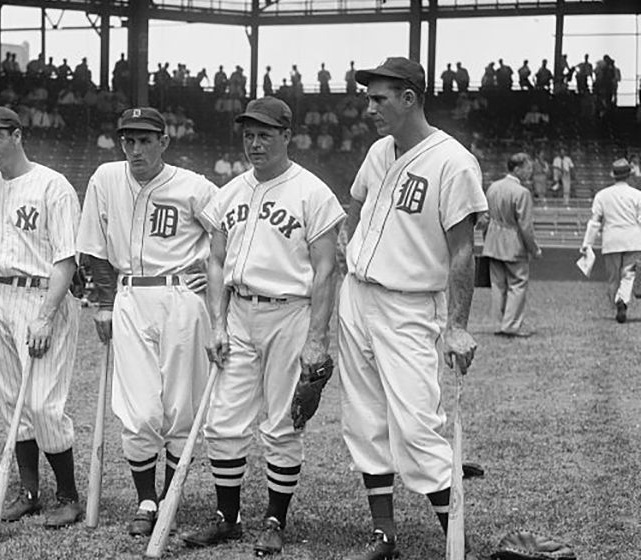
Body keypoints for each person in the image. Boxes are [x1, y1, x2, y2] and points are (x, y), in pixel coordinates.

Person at [339, 58, 486, 560]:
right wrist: (349, 244)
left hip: (409, 304)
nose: (370, 107)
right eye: (369, 97)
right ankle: (384, 534)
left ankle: (455, 540)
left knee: (417, 426)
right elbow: (356, 202)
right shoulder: (380, 150)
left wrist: (459, 326)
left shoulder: (453, 161)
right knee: (363, 418)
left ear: (409, 98)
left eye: (379, 98)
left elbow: (463, 249)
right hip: (357, 294)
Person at [183, 97, 344, 555]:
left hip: (290, 313)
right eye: (249, 134)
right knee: (223, 421)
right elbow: (214, 261)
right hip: (238, 313)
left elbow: (326, 271)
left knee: (281, 424)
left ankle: (275, 519)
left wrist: (317, 338)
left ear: (287, 136)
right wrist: (216, 323)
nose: (254, 143)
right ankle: (227, 517)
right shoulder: (229, 192)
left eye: (265, 134)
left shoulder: (313, 193)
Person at [75, 107, 215, 537]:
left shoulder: (195, 186)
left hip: (180, 298)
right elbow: (94, 247)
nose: (135, 149)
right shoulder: (105, 178)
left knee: (179, 406)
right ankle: (146, 500)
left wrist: (209, 262)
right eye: (128, 140)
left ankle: (170, 497)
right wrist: (101, 303)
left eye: (144, 140)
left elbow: (231, 234)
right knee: (138, 410)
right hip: (129, 295)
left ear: (163, 142)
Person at [0, 107, 85, 528]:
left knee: (42, 405)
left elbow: (66, 258)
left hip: (39, 297)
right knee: (12, 401)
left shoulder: (52, 185)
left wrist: (46, 316)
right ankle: (31, 492)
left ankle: (69, 496)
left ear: (17, 135)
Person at [482, 153, 542, 337]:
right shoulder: (521, 192)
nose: (530, 172)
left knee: (498, 285)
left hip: (492, 243)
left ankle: (498, 324)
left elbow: (485, 218)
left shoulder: (493, 187)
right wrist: (534, 249)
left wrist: (487, 239)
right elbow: (525, 226)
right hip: (513, 245)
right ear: (517, 169)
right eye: (528, 168)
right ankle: (511, 326)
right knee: (517, 284)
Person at [581, 159, 641, 324]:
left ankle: (617, 301)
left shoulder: (602, 195)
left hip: (611, 240)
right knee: (629, 274)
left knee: (613, 277)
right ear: (629, 175)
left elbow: (595, 222)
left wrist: (587, 244)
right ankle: (623, 300)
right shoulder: (637, 195)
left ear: (613, 175)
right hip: (633, 239)